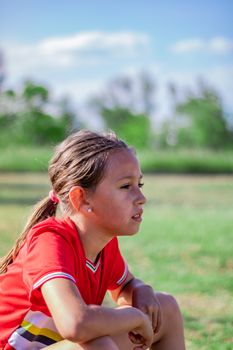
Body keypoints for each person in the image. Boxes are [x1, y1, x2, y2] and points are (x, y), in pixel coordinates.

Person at [0, 130, 185, 350]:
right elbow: (75, 324)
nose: (141, 198)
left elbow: (124, 285)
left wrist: (139, 288)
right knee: (98, 346)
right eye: (126, 186)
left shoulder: (104, 244)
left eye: (140, 185)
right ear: (82, 198)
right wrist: (134, 317)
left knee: (166, 308)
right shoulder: (49, 242)